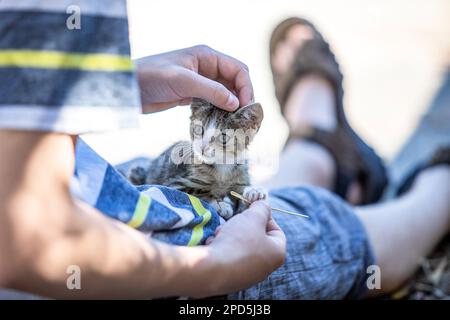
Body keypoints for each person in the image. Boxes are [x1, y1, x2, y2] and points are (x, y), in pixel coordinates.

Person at [0, 1, 448, 300]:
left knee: (236, 190)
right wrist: (214, 267)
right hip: (118, 257)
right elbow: (27, 239)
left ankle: (319, 154)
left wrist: (119, 85)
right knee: (311, 228)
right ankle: (434, 188)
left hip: (83, 183)